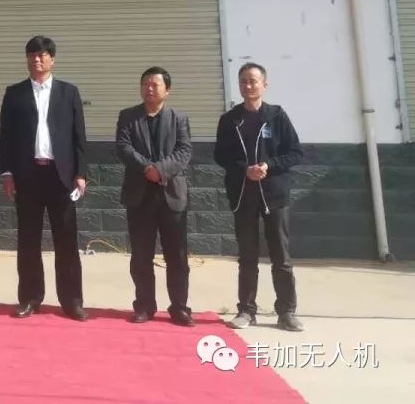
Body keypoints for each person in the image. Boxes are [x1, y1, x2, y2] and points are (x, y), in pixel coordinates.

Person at [0, 36, 88, 321]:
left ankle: (72, 302)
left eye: (42, 55)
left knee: (66, 241)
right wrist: (7, 173)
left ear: (52, 59)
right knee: (28, 241)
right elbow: (6, 137)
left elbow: (79, 136)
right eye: (32, 55)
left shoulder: (68, 92)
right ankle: (30, 298)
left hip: (60, 176)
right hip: (28, 176)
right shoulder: (14, 93)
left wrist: (81, 173)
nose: (36, 59)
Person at [215, 62, 305, 331]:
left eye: (253, 81)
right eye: (243, 81)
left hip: (274, 197)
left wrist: (269, 166)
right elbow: (221, 155)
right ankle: (246, 310)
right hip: (243, 196)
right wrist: (245, 170)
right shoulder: (230, 120)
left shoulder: (277, 116)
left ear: (264, 85)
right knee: (247, 257)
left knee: (281, 257)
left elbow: (295, 153)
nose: (248, 85)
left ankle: (287, 312)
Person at [115, 67, 193, 326]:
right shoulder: (128, 117)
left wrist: (160, 170)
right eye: (145, 84)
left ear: (167, 90)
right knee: (141, 255)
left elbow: (184, 151)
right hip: (140, 196)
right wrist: (146, 168)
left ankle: (179, 307)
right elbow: (124, 148)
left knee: (177, 256)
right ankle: (144, 305)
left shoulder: (179, 119)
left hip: (172, 195)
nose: (149, 88)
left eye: (155, 85)